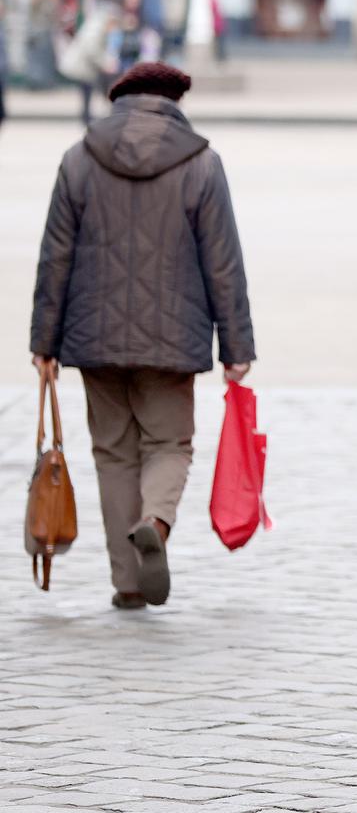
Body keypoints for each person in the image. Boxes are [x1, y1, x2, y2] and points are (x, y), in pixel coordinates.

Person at [30, 62, 256, 610]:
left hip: (93, 340)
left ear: (118, 101)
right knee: (169, 444)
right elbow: (223, 262)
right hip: (172, 341)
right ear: (174, 102)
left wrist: (44, 342)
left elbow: (54, 258)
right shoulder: (201, 163)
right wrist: (237, 348)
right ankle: (155, 519)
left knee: (113, 454)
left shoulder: (78, 160)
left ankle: (127, 584)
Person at [56, 0, 117, 127]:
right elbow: (92, 49)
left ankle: (88, 118)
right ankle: (87, 119)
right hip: (83, 66)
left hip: (86, 67)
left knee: (87, 93)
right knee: (88, 92)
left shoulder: (98, 25)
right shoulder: (96, 27)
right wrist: (104, 63)